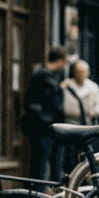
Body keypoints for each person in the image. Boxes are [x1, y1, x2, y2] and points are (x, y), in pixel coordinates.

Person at [22, 47, 68, 181]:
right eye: (64, 62)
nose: (64, 66)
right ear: (60, 61)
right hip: (44, 128)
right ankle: (38, 197)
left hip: (42, 127)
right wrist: (60, 88)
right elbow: (51, 102)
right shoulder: (44, 75)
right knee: (41, 167)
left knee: (43, 165)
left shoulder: (43, 74)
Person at [60, 60, 99, 174]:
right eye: (78, 71)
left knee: (85, 155)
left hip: (86, 125)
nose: (81, 74)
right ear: (74, 72)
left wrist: (91, 112)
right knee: (69, 157)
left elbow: (98, 107)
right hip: (69, 125)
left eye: (83, 72)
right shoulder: (67, 85)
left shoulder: (93, 87)